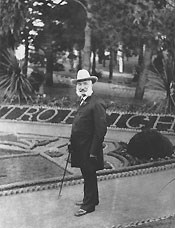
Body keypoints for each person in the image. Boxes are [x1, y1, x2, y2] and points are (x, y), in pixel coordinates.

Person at [69, 69, 107, 217]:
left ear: (91, 84)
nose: (82, 87)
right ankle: (93, 199)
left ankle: (88, 205)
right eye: (80, 85)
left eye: (85, 84)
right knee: (87, 175)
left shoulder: (96, 103)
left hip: (90, 148)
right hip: (81, 147)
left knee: (89, 174)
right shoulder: (85, 101)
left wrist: (93, 151)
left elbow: (101, 129)